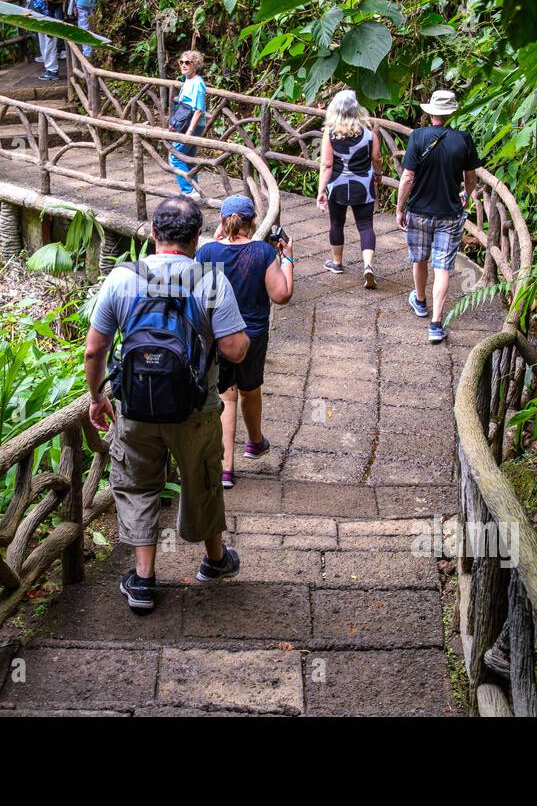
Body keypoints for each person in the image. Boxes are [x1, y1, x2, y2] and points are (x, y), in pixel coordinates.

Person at [85, 197, 251, 613]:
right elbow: (234, 351)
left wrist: (97, 397)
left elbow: (94, 350)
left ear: (154, 234)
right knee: (203, 478)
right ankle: (214, 561)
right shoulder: (211, 280)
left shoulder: (122, 278)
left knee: (138, 482)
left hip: (136, 407)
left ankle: (142, 581)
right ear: (196, 238)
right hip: (196, 408)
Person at [195, 195, 294, 488]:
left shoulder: (206, 252)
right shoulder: (263, 253)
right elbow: (282, 295)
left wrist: (215, 243)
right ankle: (254, 442)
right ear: (252, 223)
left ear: (223, 222)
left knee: (226, 395)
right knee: (251, 389)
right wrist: (287, 257)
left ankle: (226, 469)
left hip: (217, 334)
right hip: (252, 335)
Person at [396, 88, 479, 343]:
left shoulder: (418, 137)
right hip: (449, 213)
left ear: (431, 112)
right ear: (452, 113)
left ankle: (420, 302)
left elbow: (407, 177)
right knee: (442, 267)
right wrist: (466, 194)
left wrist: (400, 208)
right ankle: (435, 324)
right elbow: (471, 178)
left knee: (419, 258)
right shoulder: (463, 139)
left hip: (419, 210)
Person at [317, 89, 382, 289]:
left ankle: (336, 263)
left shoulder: (331, 134)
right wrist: (378, 176)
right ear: (357, 109)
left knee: (337, 223)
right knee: (365, 225)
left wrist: (321, 191)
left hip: (337, 185)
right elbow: (376, 159)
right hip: (363, 186)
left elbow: (327, 165)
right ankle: (368, 265)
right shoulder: (370, 134)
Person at [167, 50, 208, 199]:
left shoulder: (198, 83)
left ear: (195, 65)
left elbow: (198, 110)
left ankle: (188, 191)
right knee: (188, 158)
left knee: (175, 156)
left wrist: (189, 131)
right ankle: (194, 191)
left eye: (187, 62)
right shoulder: (188, 81)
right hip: (185, 124)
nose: (183, 65)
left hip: (193, 126)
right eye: (181, 62)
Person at [26, 0, 64, 81]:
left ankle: (53, 71)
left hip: (49, 17)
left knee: (50, 45)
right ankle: (48, 69)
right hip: (39, 18)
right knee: (43, 45)